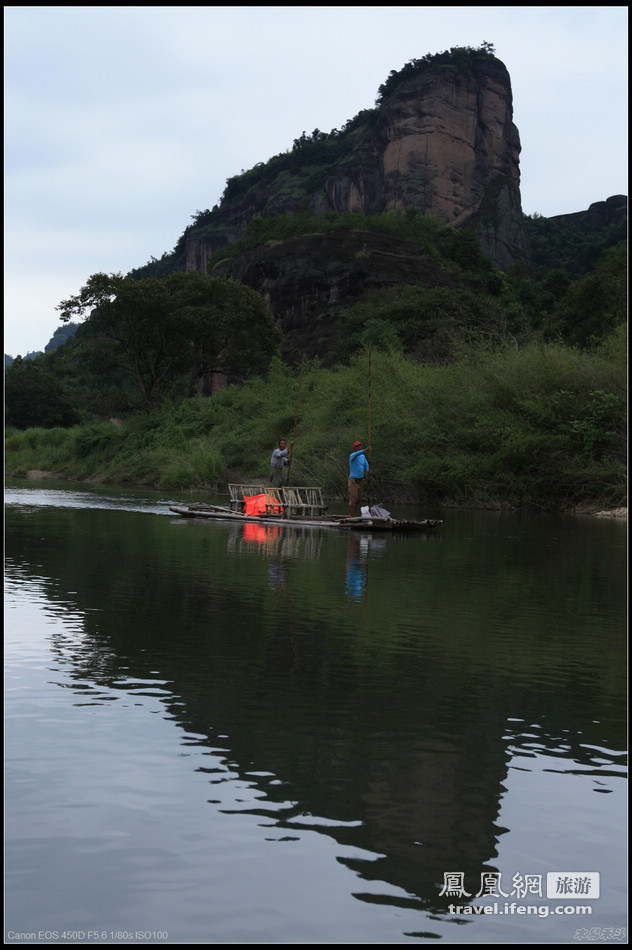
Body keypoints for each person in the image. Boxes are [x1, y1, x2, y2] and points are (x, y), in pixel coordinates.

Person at [348, 440, 370, 517]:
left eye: (360, 446)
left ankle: (352, 513)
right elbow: (358, 453)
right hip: (353, 480)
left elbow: (366, 465)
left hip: (360, 480)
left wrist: (368, 470)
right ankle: (351, 514)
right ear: (355, 448)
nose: (359, 447)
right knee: (353, 498)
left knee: (359, 499)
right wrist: (365, 450)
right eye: (357, 446)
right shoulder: (352, 455)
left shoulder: (363, 456)